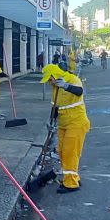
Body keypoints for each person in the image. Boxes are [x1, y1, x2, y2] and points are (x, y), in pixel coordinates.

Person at [40, 63, 90, 194]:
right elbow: (55, 107)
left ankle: (71, 184)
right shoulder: (55, 88)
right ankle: (73, 177)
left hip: (76, 123)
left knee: (70, 152)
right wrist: (51, 122)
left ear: (54, 75)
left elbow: (79, 91)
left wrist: (65, 86)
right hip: (63, 124)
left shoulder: (72, 80)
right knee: (62, 151)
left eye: (49, 79)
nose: (49, 83)